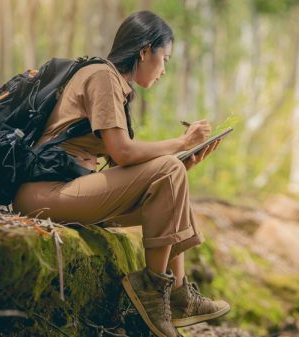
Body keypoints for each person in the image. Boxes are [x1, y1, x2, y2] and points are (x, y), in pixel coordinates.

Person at [12, 10, 230, 337]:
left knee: (174, 176)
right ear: (145, 51)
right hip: (45, 193)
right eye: (165, 58)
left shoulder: (118, 87)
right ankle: (152, 288)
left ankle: (180, 293)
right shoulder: (102, 75)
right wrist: (181, 142)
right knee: (170, 168)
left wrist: (184, 162)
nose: (165, 69)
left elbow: (123, 171)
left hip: (75, 190)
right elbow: (123, 152)